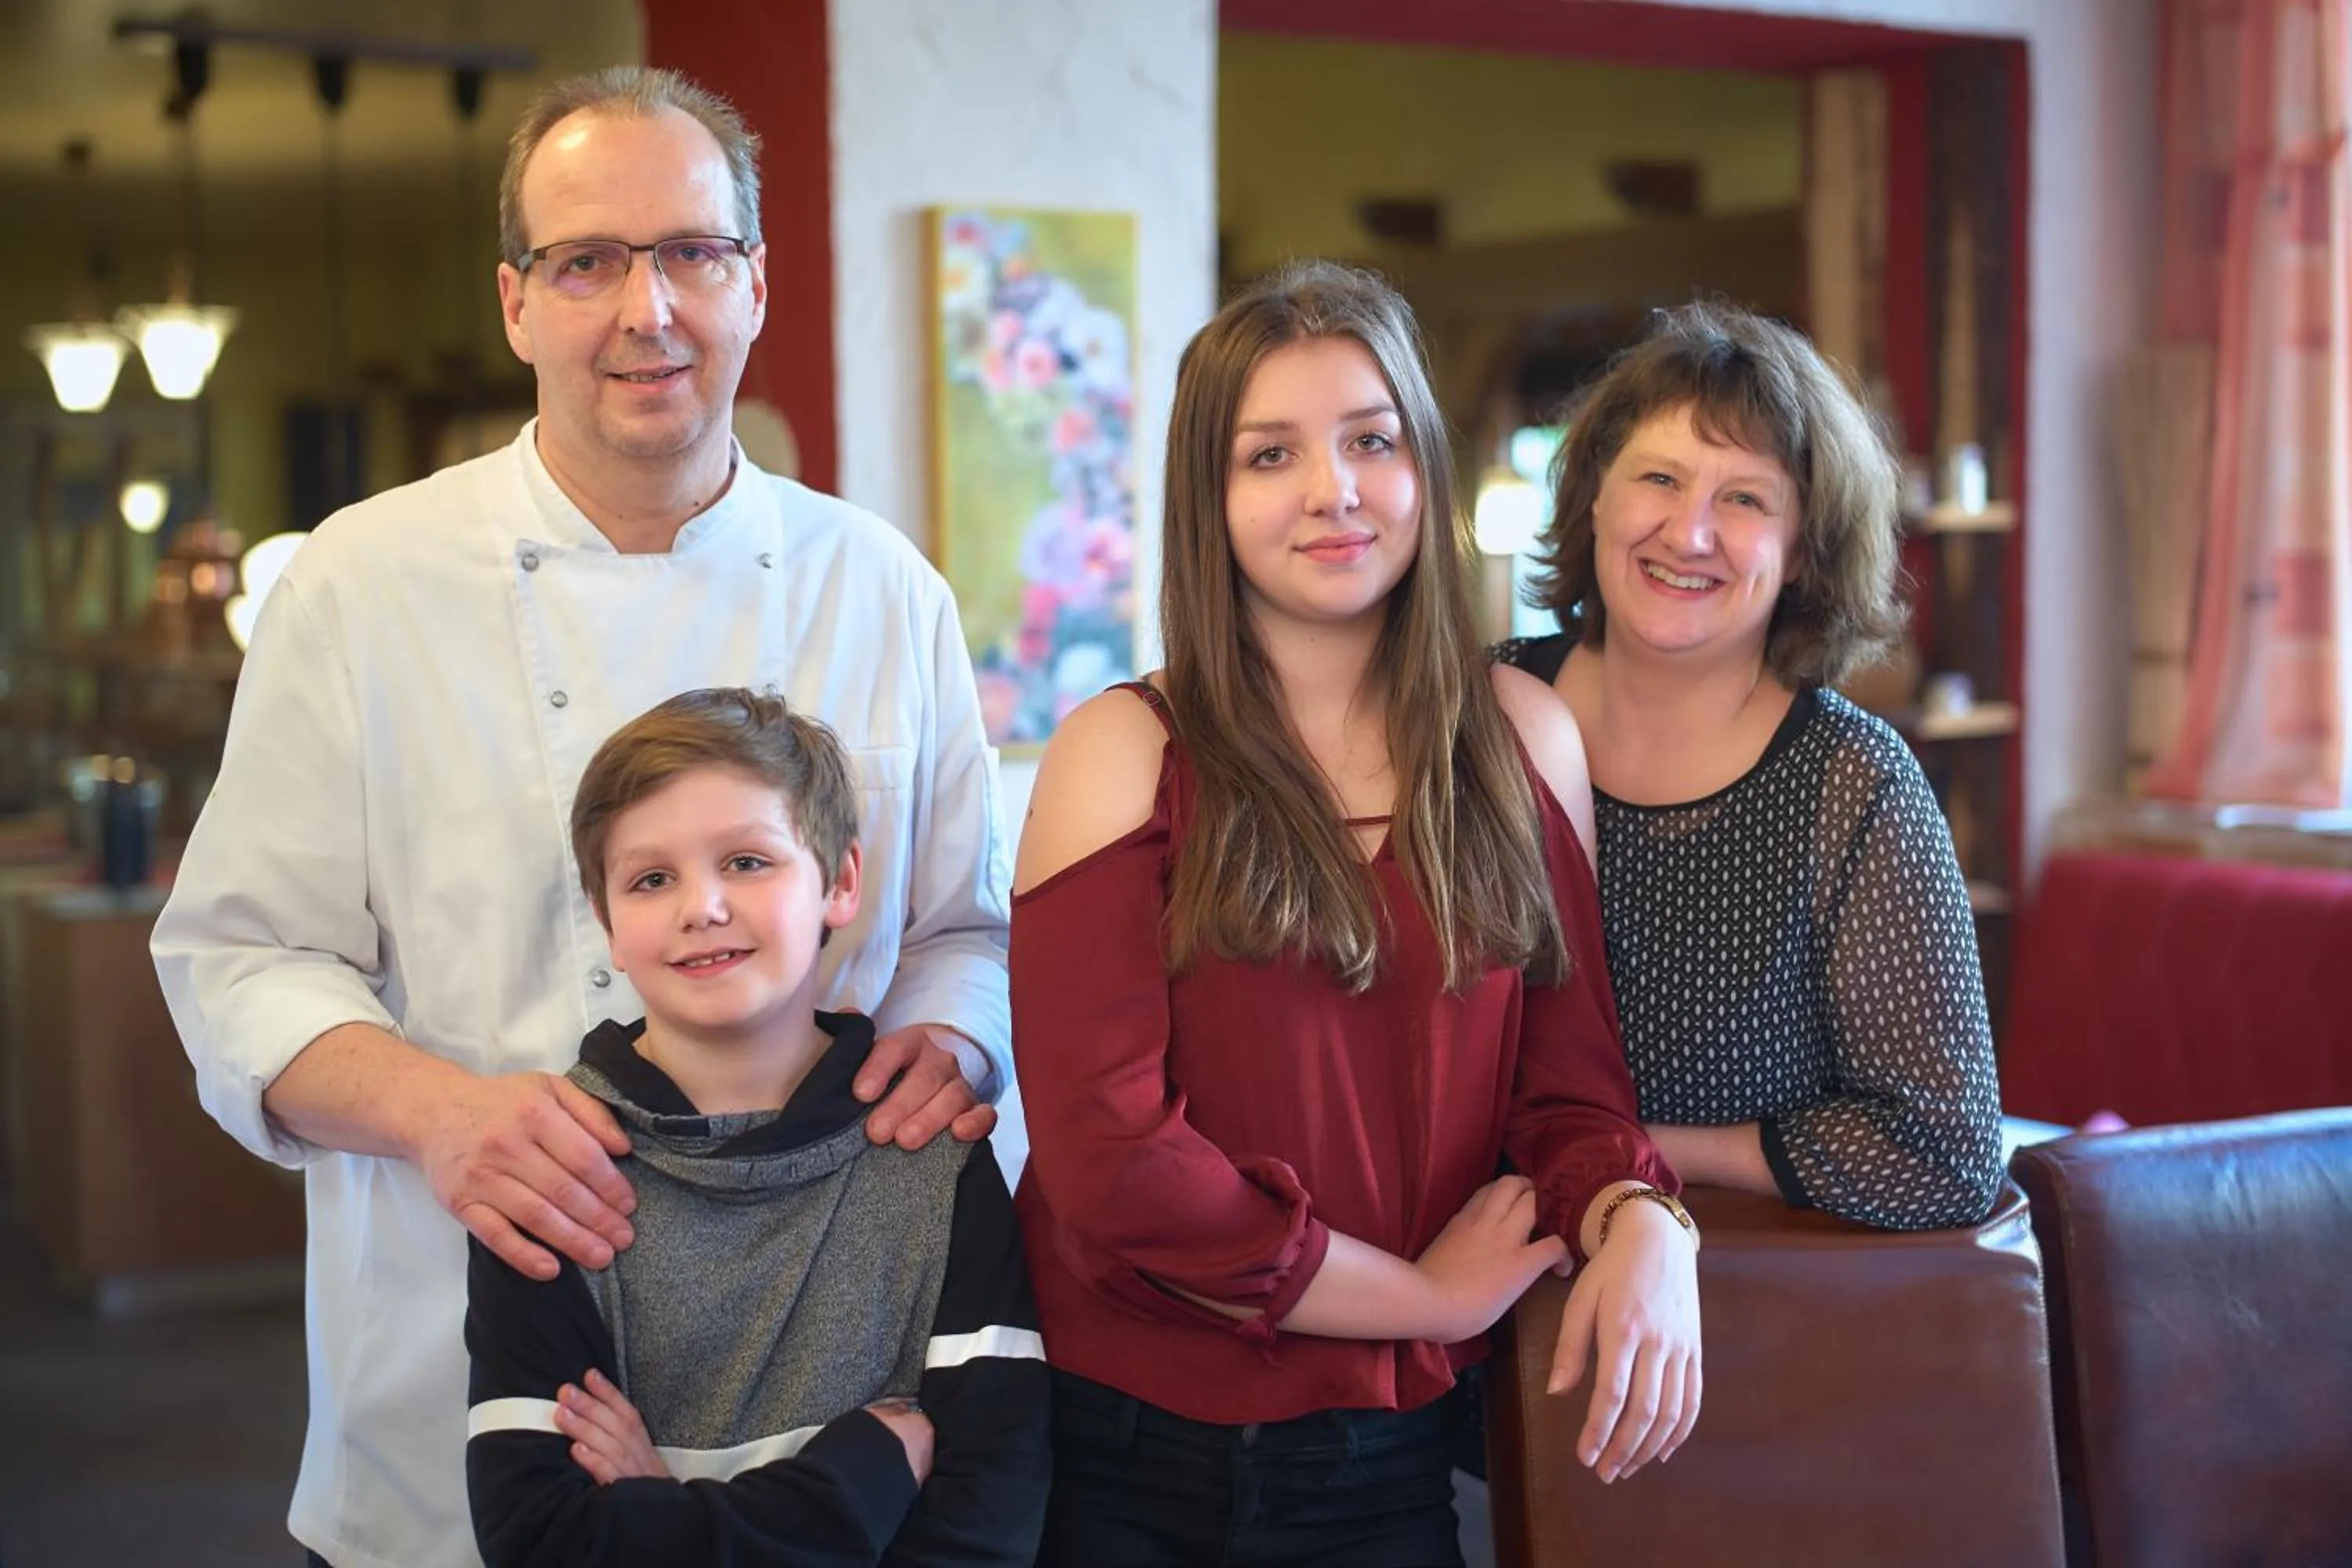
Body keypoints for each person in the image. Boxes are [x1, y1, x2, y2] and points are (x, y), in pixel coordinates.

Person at [151, 67, 1010, 1568]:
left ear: (754, 286)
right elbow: (238, 959)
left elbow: (962, 924)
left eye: (691, 253)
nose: (646, 309)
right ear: (517, 303)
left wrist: (948, 1033)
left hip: (818, 1425)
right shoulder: (361, 582)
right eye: (588, 261)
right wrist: (443, 1116)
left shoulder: (882, 586)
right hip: (448, 1377)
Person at [1012, 261, 1702, 1566]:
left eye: (1370, 441)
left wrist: (1645, 1223)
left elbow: (1569, 1100)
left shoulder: (1520, 740)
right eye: (1271, 454)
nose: (1333, 490)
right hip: (1127, 1449)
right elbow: (1115, 1170)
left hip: (1393, 1452)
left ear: (1425, 468)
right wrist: (1420, 1294)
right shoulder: (1121, 750)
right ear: (1208, 501)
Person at [463, 688, 1047, 1566]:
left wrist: (664, 1509)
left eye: (746, 860)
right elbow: (546, 1541)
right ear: (607, 921)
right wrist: (867, 1468)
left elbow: (990, 1529)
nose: (703, 905)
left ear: (841, 882)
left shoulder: (934, 1154)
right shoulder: (553, 1165)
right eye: (652, 878)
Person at [1495, 301, 2005, 1232]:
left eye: (1744, 498)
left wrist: (1644, 1152)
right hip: (1447, 1308)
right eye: (1659, 476)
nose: (1690, 533)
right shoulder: (1476, 711)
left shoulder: (1856, 783)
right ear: (1595, 494)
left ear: (1805, 549)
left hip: (1710, 1325)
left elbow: (1949, 1153)